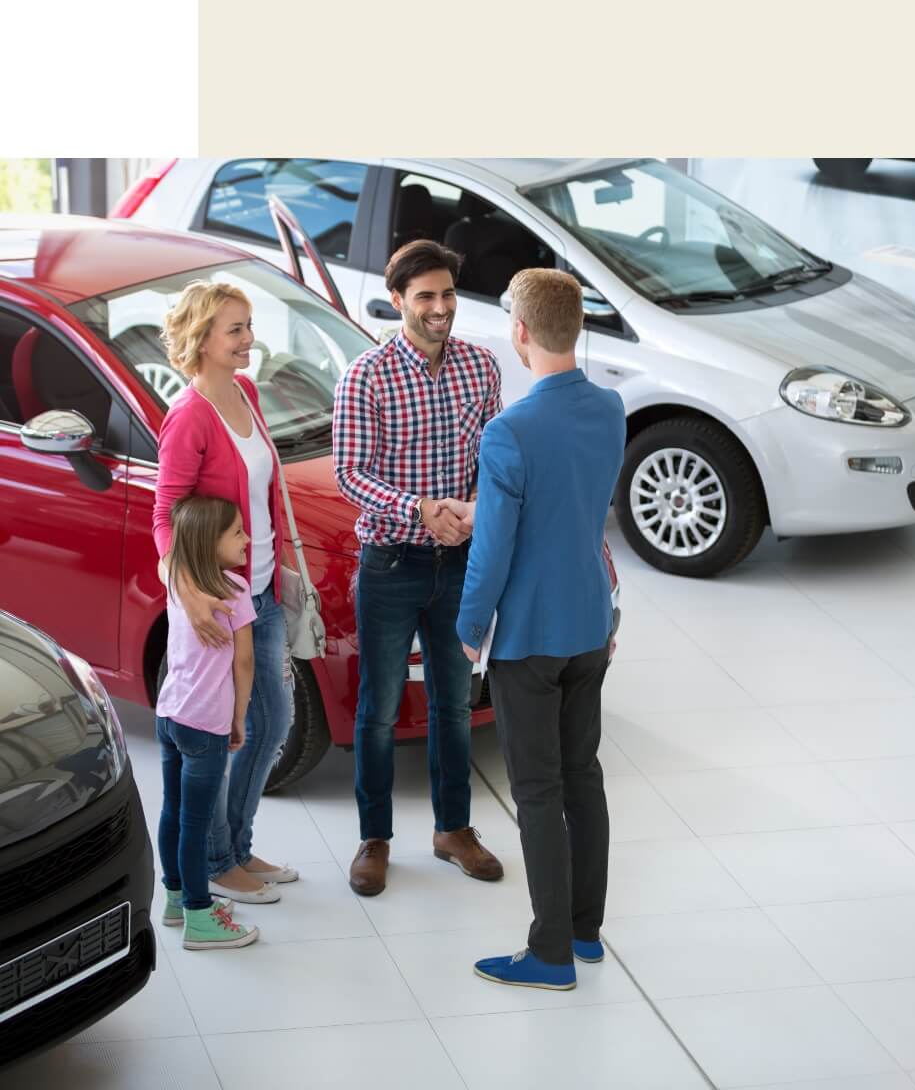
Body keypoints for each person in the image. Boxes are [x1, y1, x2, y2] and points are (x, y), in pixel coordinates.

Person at [453, 269, 626, 990]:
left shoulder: (509, 431)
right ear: (575, 327)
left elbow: (493, 548)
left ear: (520, 332)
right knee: (583, 776)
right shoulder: (611, 408)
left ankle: (549, 953)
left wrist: (468, 627)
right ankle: (586, 933)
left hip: (530, 637)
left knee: (538, 792)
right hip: (591, 622)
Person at [332, 239, 505, 896]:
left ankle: (452, 830)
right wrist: (420, 507)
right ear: (398, 299)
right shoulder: (366, 376)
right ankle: (374, 839)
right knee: (377, 708)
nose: (440, 308)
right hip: (390, 562)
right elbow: (349, 473)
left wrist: (473, 509)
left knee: (454, 704)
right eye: (426, 297)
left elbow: (495, 460)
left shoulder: (481, 368)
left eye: (448, 295)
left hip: (459, 562)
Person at [154, 282, 297, 905]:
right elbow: (166, 516)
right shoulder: (188, 417)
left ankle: (234, 845)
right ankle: (214, 860)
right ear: (202, 340)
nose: (248, 339)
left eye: (249, 325)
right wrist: (187, 592)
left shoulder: (246, 392)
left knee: (271, 722)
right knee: (218, 734)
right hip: (218, 602)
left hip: (260, 590)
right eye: (235, 329)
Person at [156, 495, 259, 950]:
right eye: (236, 532)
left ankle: (175, 899)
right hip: (206, 724)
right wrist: (238, 717)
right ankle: (200, 916)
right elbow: (245, 663)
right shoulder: (234, 592)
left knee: (173, 811)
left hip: (170, 713)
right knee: (196, 823)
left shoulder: (179, 583)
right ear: (209, 541)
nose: (247, 538)